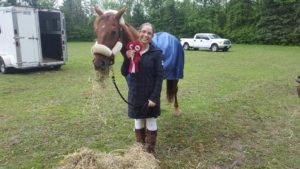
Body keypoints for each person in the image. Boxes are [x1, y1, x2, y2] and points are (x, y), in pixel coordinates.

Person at [121, 23, 163, 154]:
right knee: (138, 122)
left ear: (152, 36)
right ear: (139, 32)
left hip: (150, 96)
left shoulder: (156, 53)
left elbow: (159, 77)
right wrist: (127, 58)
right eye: (143, 31)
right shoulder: (132, 50)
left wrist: (154, 97)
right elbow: (124, 72)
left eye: (149, 33)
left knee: (151, 122)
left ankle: (149, 152)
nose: (145, 35)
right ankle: (140, 152)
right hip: (135, 94)